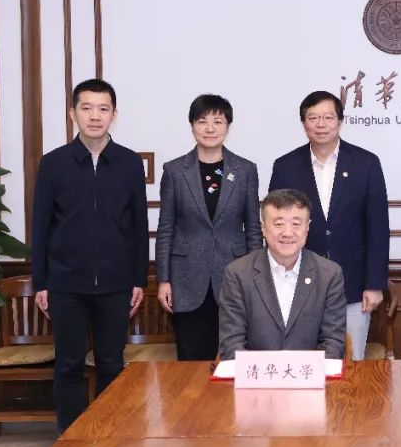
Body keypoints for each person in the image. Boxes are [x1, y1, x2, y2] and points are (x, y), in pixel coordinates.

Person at [32, 78, 147, 431]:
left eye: (103, 109)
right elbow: (41, 225)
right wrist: (41, 282)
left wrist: (139, 280)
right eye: (87, 108)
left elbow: (139, 225)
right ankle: (71, 440)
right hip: (66, 283)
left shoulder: (129, 163)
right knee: (68, 365)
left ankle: (110, 436)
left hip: (116, 283)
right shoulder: (53, 163)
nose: (95, 116)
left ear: (114, 115)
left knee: (111, 364)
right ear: (73, 114)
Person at [268, 91, 388, 360]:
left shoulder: (366, 163)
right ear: (303, 124)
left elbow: (378, 228)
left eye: (328, 117)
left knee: (351, 362)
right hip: (296, 284)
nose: (321, 124)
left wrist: (374, 283)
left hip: (353, 283)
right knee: (301, 363)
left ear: (340, 121)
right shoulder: (285, 166)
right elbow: (275, 227)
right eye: (313, 118)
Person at [155, 94, 262, 361]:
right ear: (192, 125)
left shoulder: (245, 170)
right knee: (190, 360)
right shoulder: (175, 171)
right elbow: (166, 229)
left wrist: (255, 277)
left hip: (234, 275)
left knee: (234, 360)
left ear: (228, 126)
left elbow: (253, 229)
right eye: (203, 121)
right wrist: (163, 280)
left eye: (218, 121)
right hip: (186, 279)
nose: (210, 128)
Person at [217, 189, 346, 360]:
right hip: (256, 375)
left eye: (296, 224)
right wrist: (269, 372)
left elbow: (333, 343)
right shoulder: (238, 274)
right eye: (278, 224)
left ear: (307, 227)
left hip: (309, 374)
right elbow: (231, 344)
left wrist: (301, 373)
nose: (287, 233)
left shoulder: (329, 274)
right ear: (263, 228)